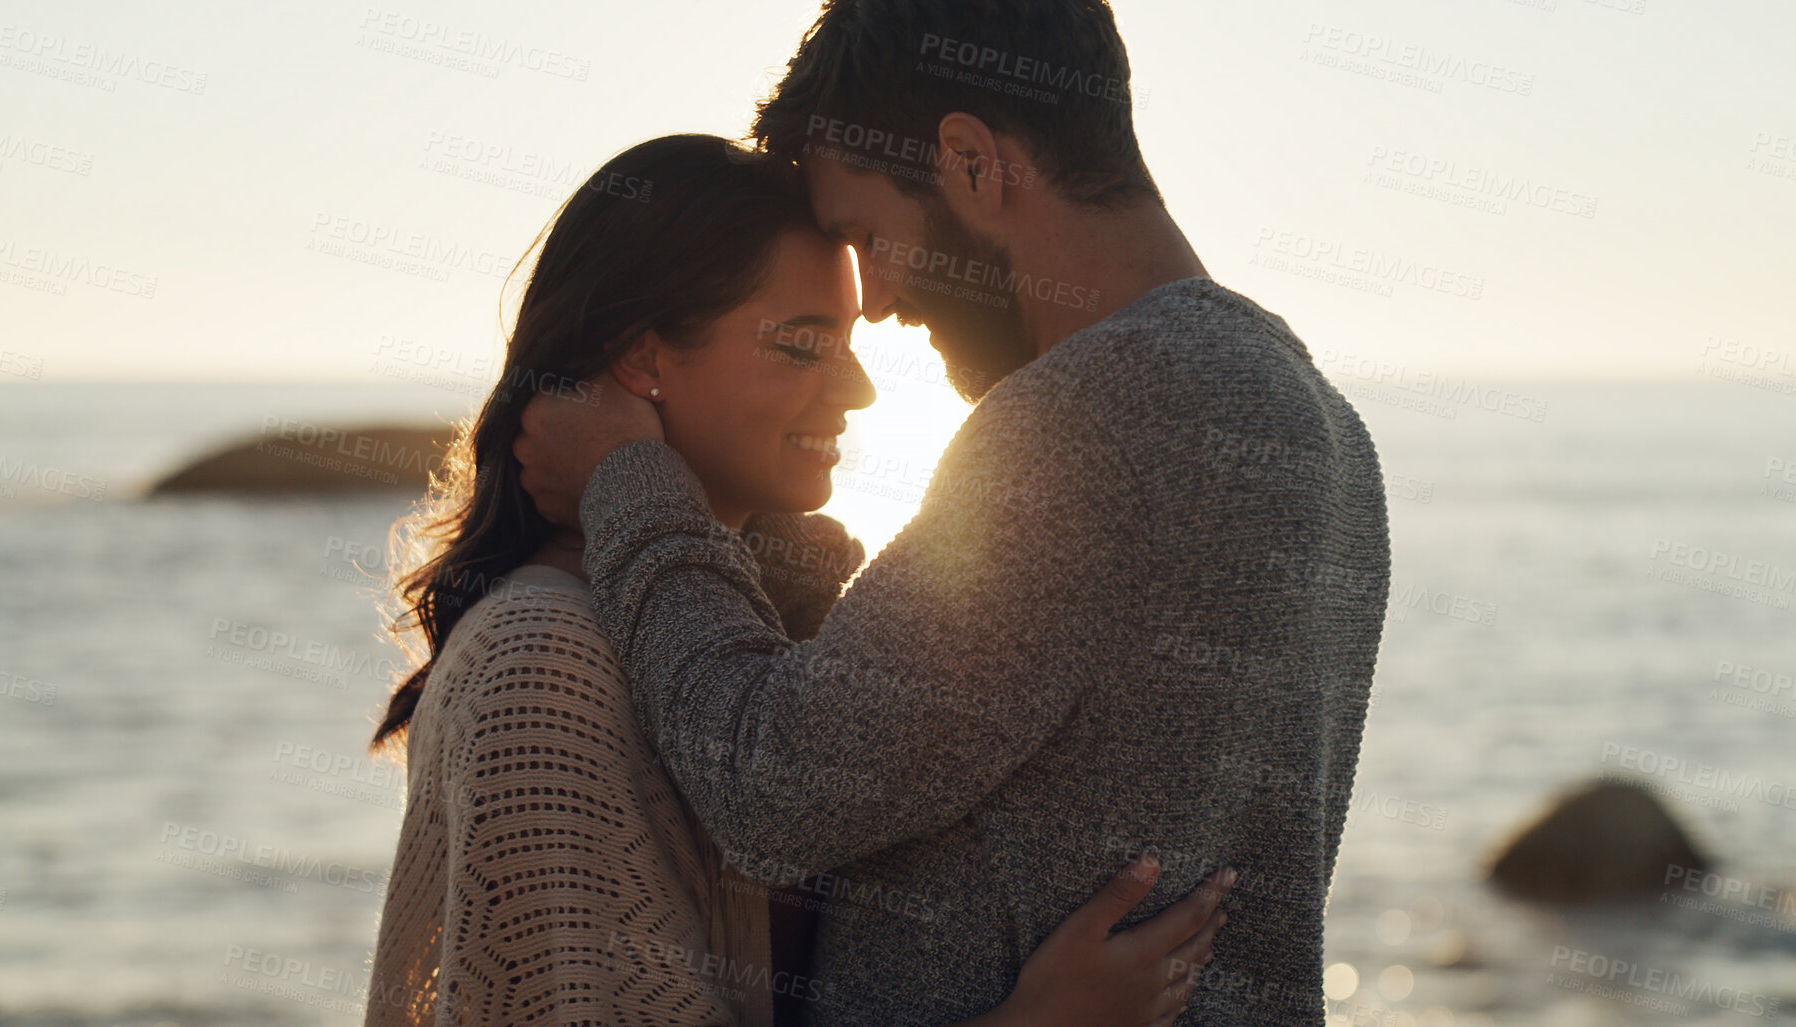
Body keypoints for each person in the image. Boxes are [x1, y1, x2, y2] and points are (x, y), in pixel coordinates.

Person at [510, 2, 1393, 1024]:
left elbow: (770, 787)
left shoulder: (1090, 417)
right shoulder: (1326, 425)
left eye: (866, 235)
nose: (876, 298)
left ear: (973, 164)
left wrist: (627, 479)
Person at [363, 133, 1230, 1027]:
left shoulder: (766, 636)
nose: (857, 389)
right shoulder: (546, 661)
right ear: (643, 359)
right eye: (801, 345)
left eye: (848, 339)